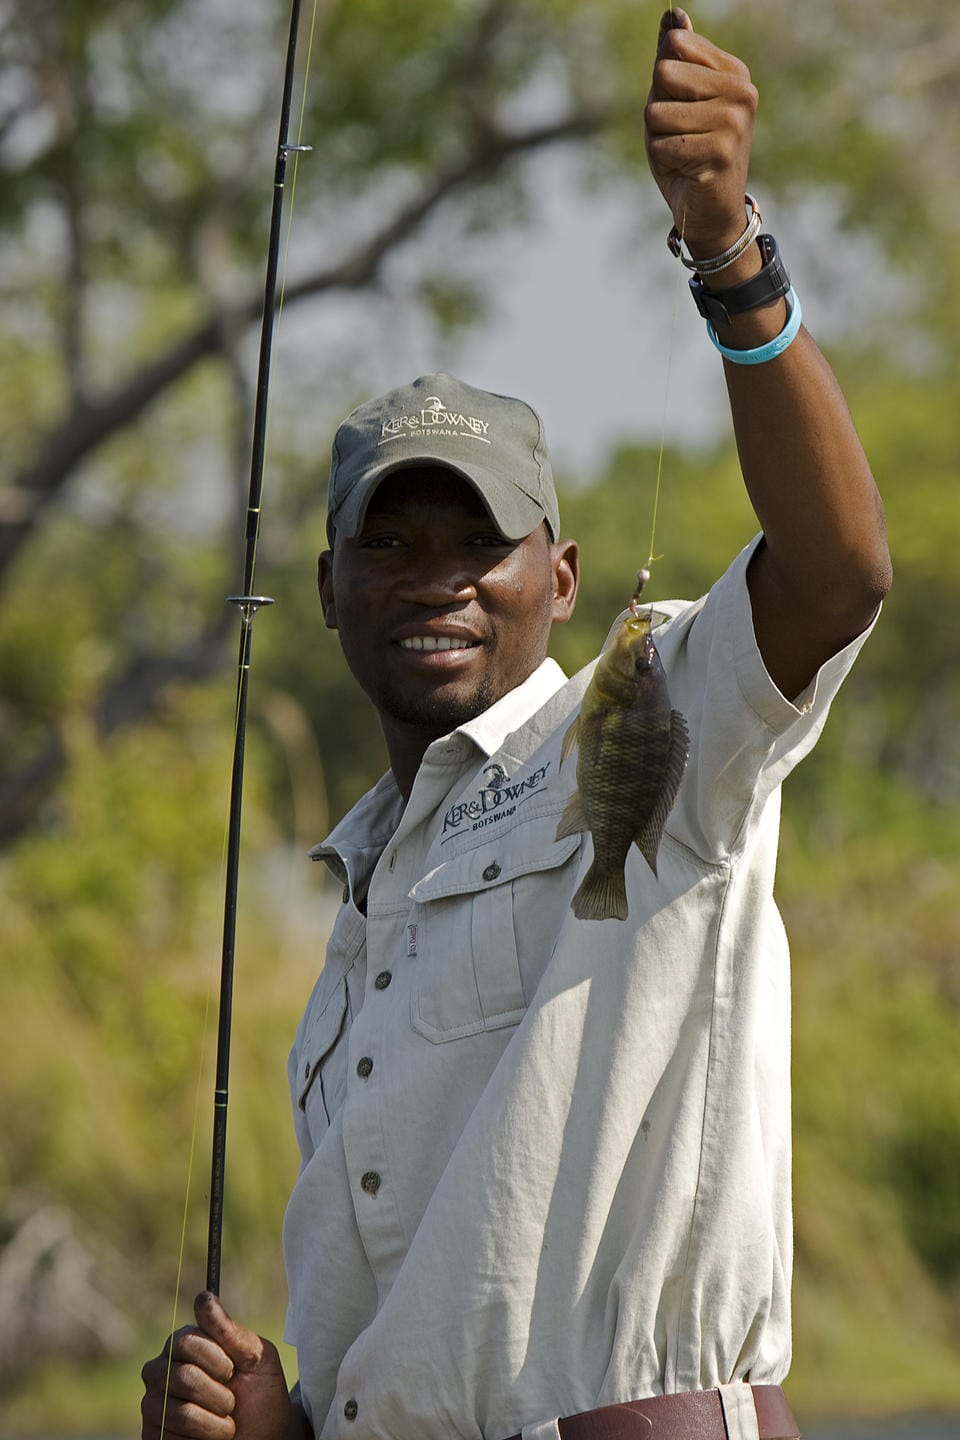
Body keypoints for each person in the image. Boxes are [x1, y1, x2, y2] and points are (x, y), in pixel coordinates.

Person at [141, 10, 892, 1440]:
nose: (436, 582)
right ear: (327, 590)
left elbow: (842, 570)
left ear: (557, 579)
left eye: (477, 544)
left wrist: (732, 257)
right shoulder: (351, 936)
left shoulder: (660, 718)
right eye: (391, 545)